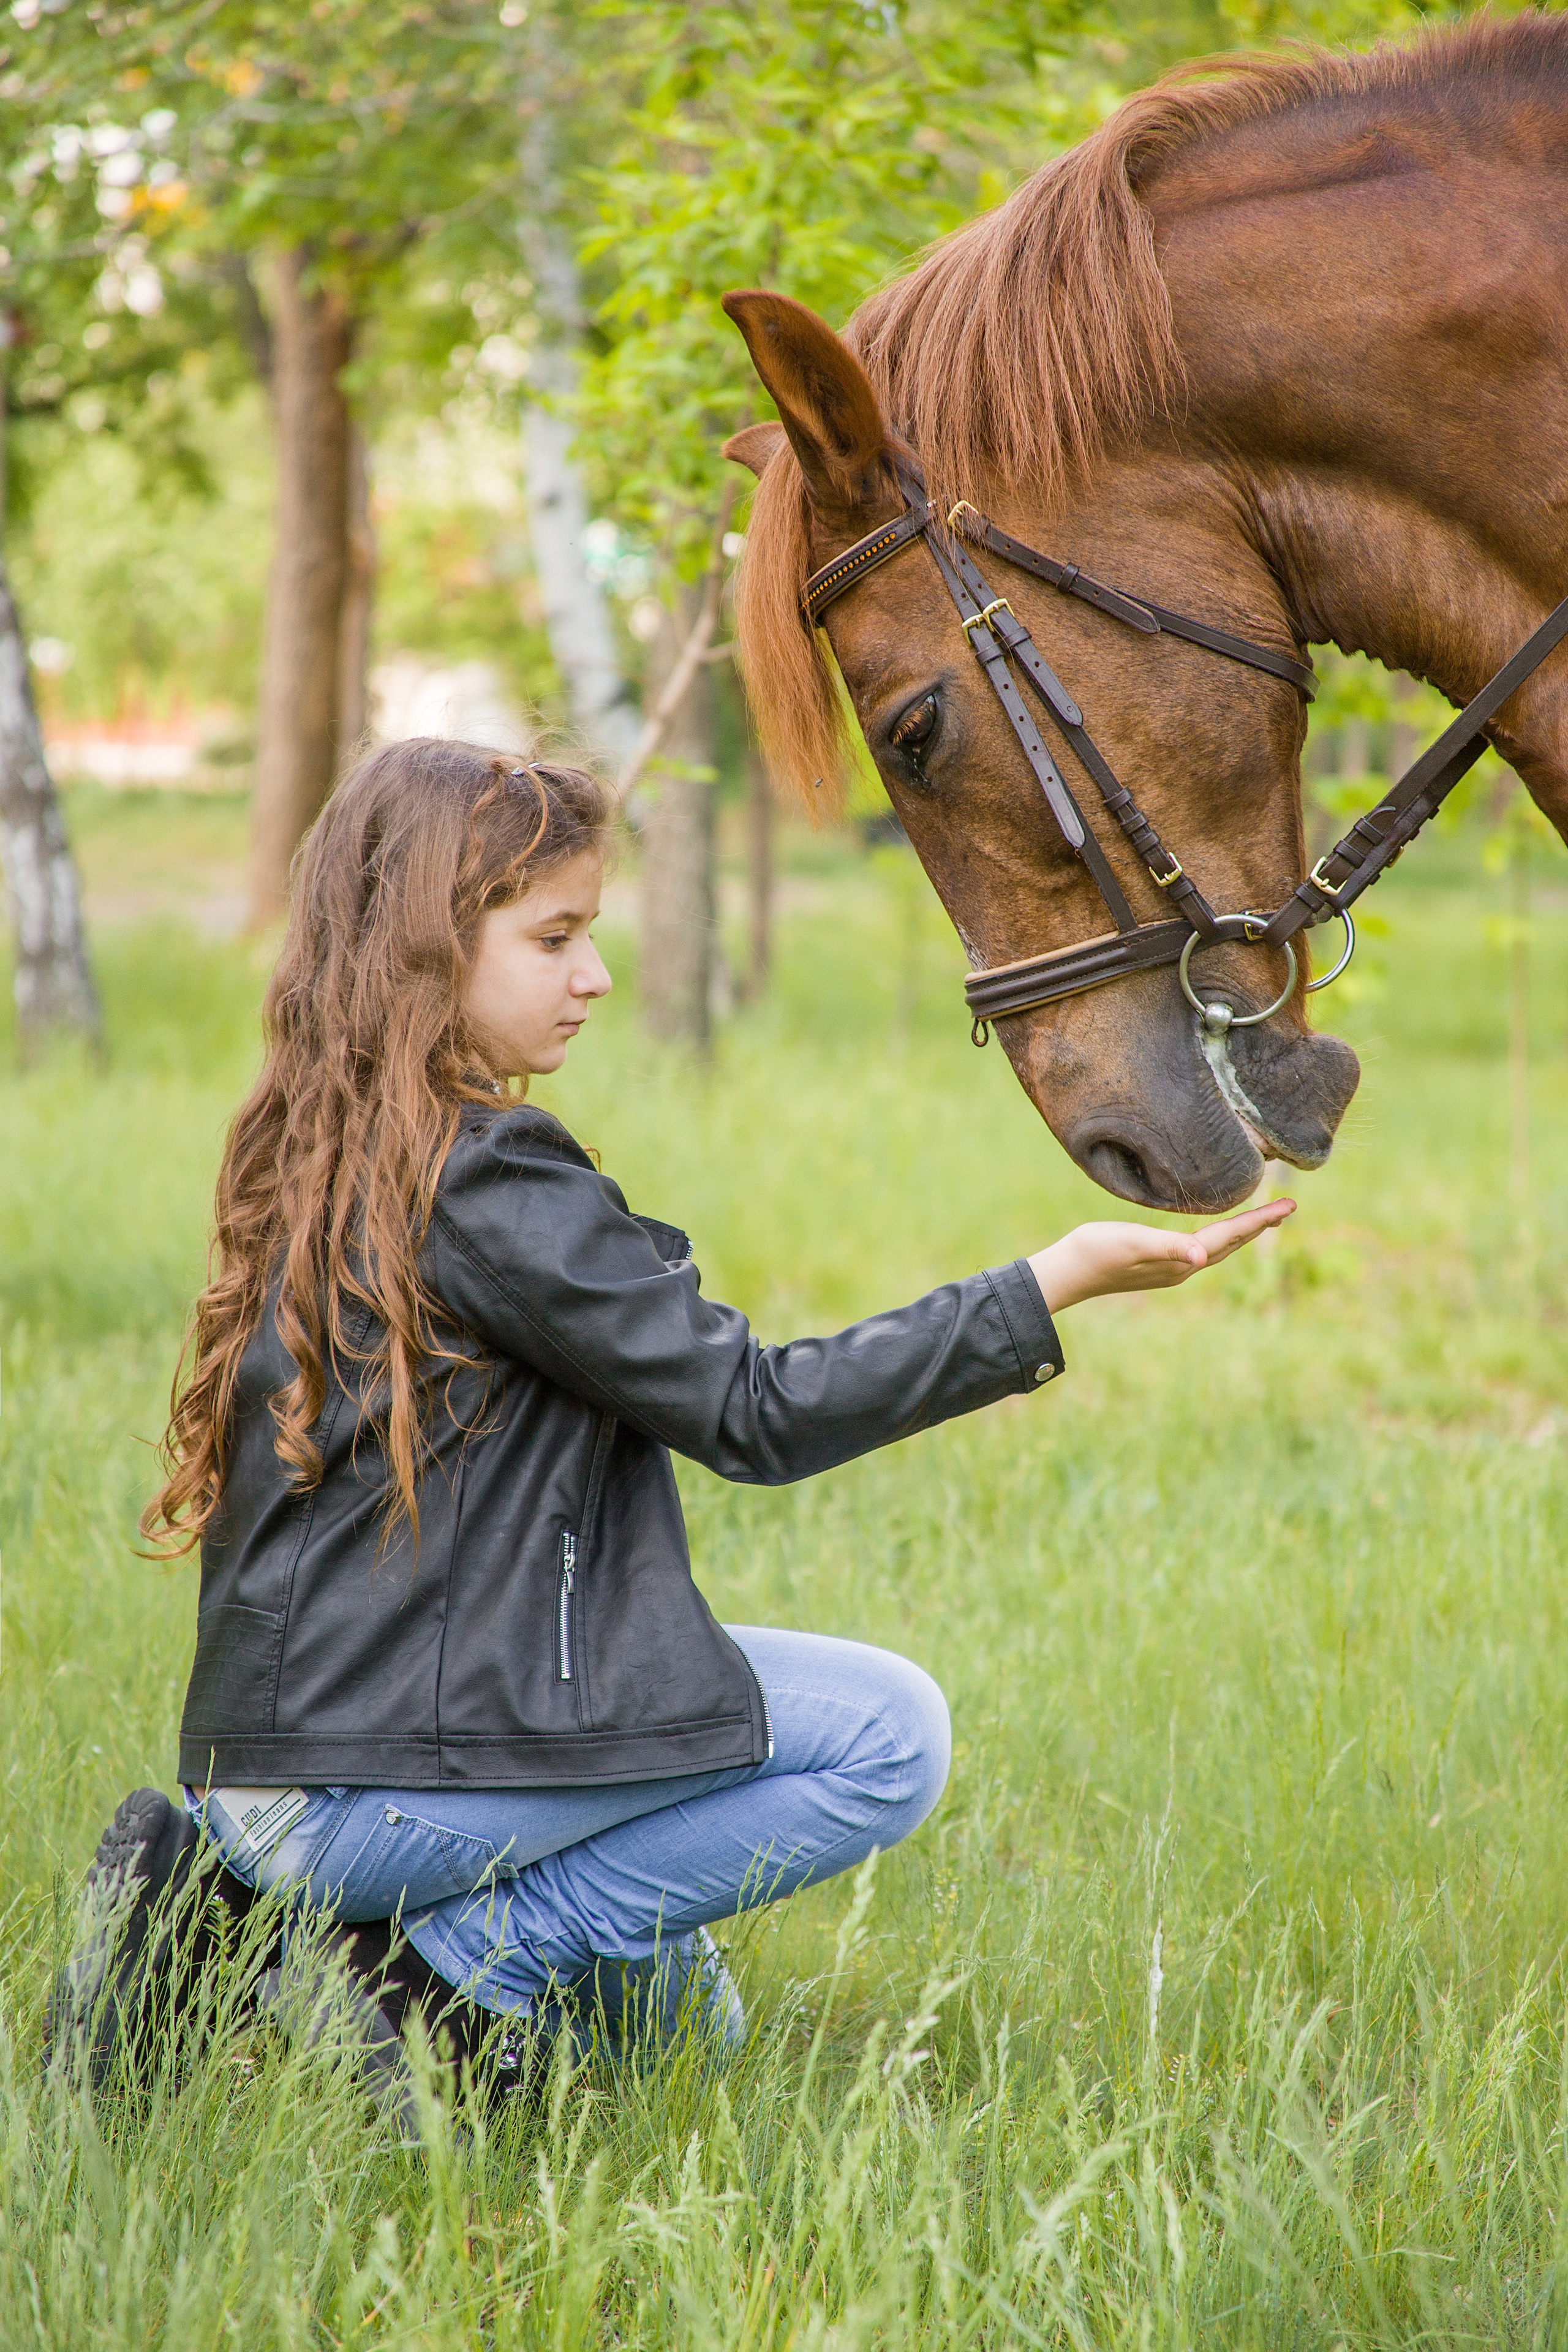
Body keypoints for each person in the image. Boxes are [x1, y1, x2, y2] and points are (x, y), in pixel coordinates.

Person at [52, 737, 1292, 2097]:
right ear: (422, 946)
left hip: (279, 1769)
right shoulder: (486, 1180)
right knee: (890, 1733)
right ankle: (451, 1966)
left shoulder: (329, 1143)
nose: (593, 976)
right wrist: (1046, 1288)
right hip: (368, 1782)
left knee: (683, 2050)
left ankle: (225, 1922)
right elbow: (752, 1413)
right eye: (554, 937)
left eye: (593, 933)